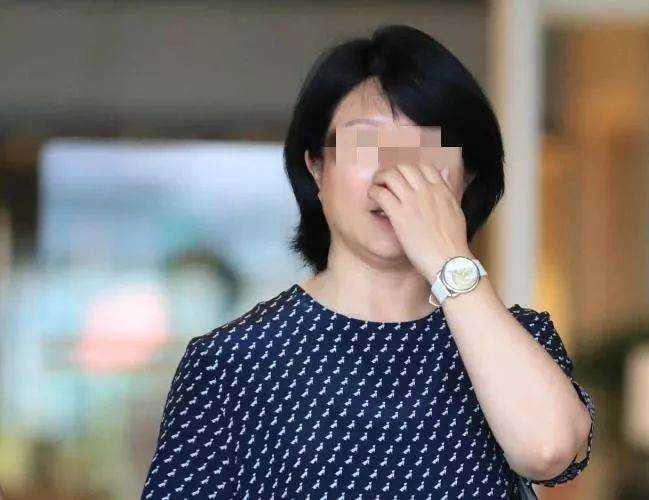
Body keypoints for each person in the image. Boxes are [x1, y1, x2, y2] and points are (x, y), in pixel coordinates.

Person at [141, 24, 595, 499]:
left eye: (423, 148)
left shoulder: (517, 339)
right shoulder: (231, 364)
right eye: (366, 146)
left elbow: (549, 450)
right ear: (318, 168)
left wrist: (447, 255)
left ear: (468, 176)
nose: (393, 173)